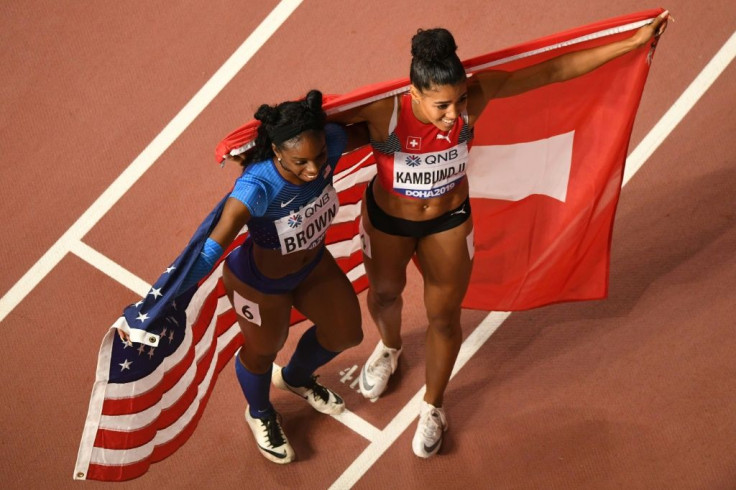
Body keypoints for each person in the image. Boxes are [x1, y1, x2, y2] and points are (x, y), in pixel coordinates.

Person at [330, 11, 670, 458]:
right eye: (442, 106)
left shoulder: (477, 93)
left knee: (444, 316)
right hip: (389, 221)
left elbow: (553, 70)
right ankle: (391, 347)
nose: (455, 116)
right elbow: (315, 132)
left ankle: (433, 405)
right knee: (386, 294)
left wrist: (629, 44)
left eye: (458, 103)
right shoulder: (383, 111)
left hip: (448, 220)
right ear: (414, 93)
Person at [120, 90, 367, 464]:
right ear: (276, 152)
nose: (314, 170)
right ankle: (260, 413)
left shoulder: (330, 142)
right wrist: (165, 298)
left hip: (313, 266)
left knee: (347, 332)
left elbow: (382, 128)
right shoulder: (257, 187)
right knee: (263, 351)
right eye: (300, 162)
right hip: (259, 283)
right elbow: (210, 249)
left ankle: (297, 378)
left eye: (318, 158)